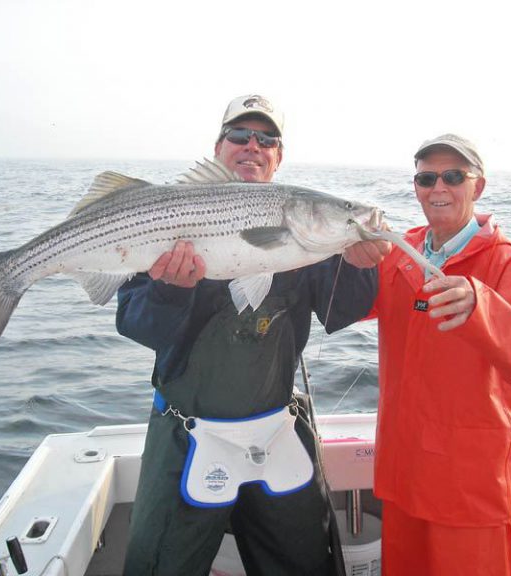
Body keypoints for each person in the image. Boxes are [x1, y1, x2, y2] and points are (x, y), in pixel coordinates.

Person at [115, 94, 392, 575]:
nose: (252, 146)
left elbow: (342, 308)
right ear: (219, 146)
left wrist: (359, 265)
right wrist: (169, 291)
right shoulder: (171, 212)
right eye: (239, 135)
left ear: (278, 157)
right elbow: (135, 323)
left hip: (276, 429)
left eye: (267, 139)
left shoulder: (306, 230)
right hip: (186, 435)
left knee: (305, 564)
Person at [357, 134, 511, 576]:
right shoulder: (398, 251)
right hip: (402, 474)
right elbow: (348, 304)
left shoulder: (502, 262)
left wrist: (481, 304)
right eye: (426, 178)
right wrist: (348, 256)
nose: (438, 188)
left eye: (453, 176)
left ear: (478, 186)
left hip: (467, 486)